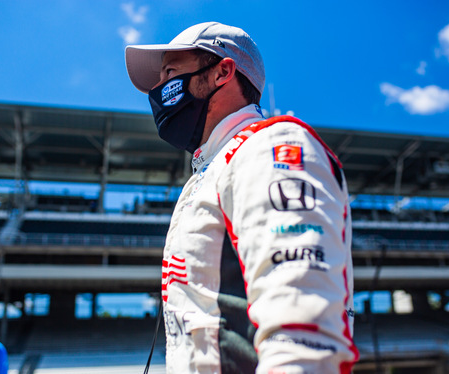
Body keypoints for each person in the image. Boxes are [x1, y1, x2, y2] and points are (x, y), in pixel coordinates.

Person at [125, 22, 358, 373]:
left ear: (223, 71)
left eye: (170, 72)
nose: (157, 89)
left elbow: (303, 331)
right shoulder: (213, 168)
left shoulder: (269, 147)